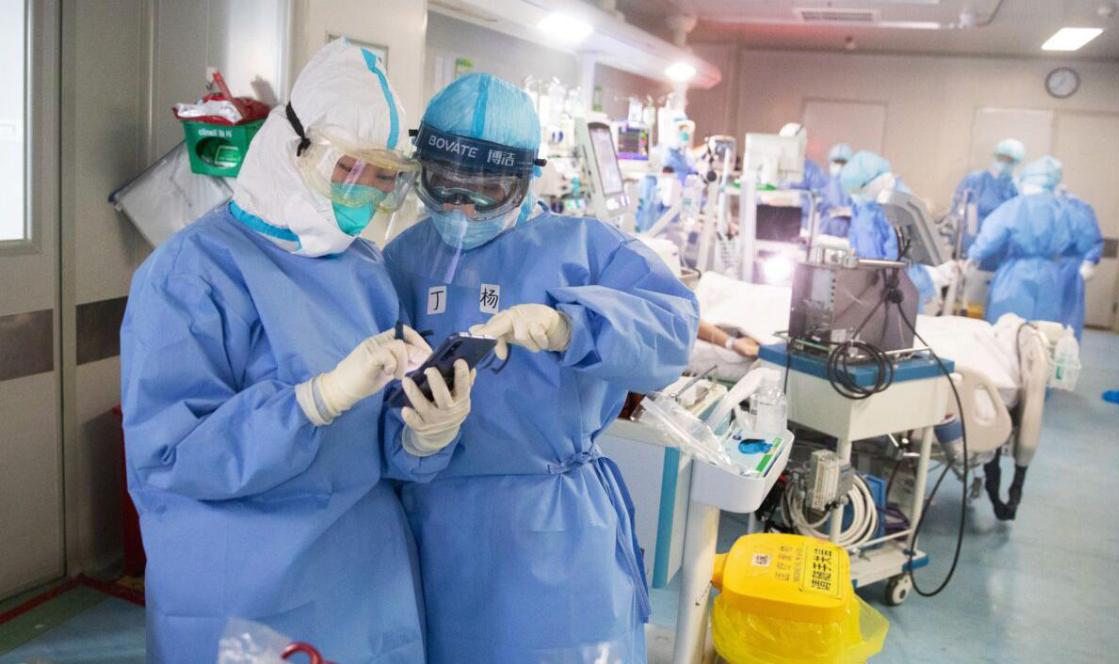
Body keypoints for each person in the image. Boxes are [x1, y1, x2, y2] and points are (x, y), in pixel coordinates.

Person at [120, 39, 474, 663]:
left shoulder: (365, 269)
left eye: (383, 180)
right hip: (245, 589)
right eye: (348, 171)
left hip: (365, 578)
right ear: (293, 147)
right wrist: (312, 402)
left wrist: (424, 433)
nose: (362, 195)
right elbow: (170, 455)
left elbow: (383, 440)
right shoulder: (191, 272)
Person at [382, 73, 700, 664]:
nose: (461, 208)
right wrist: (420, 436)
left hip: (555, 536)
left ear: (526, 181)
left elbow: (674, 330)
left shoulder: (583, 248)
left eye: (486, 192)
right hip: (433, 529)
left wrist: (573, 325)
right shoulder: (402, 259)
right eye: (443, 186)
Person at [966, 156, 1072, 325]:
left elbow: (991, 236)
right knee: (1042, 334)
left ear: (1027, 180)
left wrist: (973, 255)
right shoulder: (1064, 208)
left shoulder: (1017, 206)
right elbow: (1082, 242)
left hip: (1017, 276)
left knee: (1007, 330)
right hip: (1051, 276)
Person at [839, 151, 937, 307]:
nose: (857, 196)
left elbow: (896, 255)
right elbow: (858, 237)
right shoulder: (865, 202)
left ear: (878, 179)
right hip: (870, 281)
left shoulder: (901, 203)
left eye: (861, 190)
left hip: (900, 285)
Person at [951, 138, 1024, 256]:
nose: (1004, 163)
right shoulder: (974, 180)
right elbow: (956, 213)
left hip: (1000, 249)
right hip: (969, 245)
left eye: (1009, 160)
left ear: (1016, 162)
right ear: (995, 156)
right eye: (1001, 158)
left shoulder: (1015, 188)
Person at [1058, 190, 1103, 340]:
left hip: (1067, 271)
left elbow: (1091, 237)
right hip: (1035, 270)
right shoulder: (1023, 204)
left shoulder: (1076, 207)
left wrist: (1089, 261)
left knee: (1065, 321)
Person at [820, 142, 854, 236]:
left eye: (843, 163)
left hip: (847, 235)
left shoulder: (856, 186)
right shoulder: (823, 183)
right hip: (825, 232)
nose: (839, 166)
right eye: (836, 162)